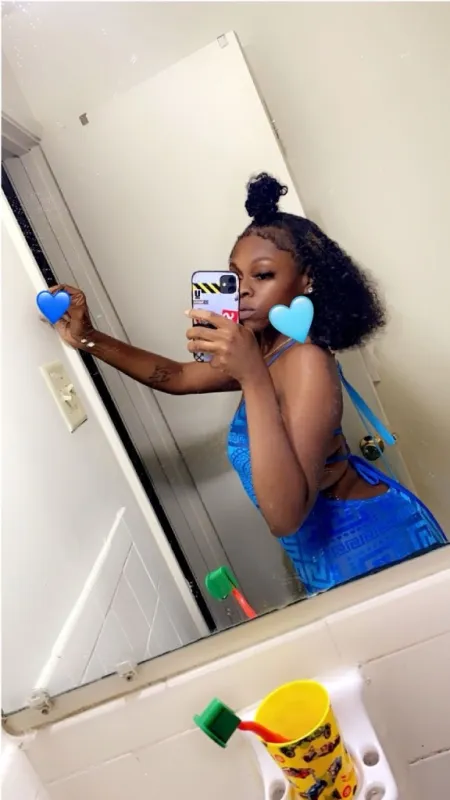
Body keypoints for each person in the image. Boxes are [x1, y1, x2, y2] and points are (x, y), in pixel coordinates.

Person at [49, 172, 447, 596]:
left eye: (263, 275)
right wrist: (87, 337)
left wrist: (251, 375)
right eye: (235, 277)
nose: (242, 291)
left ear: (306, 279)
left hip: (371, 540)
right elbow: (178, 377)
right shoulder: (267, 348)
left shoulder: (306, 360)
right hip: (320, 549)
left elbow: (285, 517)